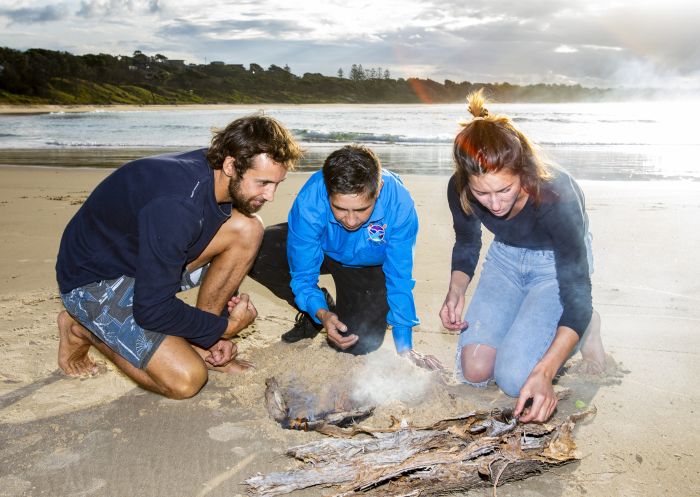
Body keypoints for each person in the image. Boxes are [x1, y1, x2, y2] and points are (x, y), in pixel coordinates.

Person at [56, 114, 302, 399]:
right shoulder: (178, 205)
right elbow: (152, 309)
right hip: (93, 281)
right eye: (262, 183)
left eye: (276, 184)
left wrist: (211, 333)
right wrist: (227, 327)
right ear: (231, 165)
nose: (270, 195)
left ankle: (203, 345)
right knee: (186, 380)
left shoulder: (214, 176)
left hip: (141, 260)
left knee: (248, 228)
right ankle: (82, 329)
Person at [439, 90, 606, 422]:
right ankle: (530, 321)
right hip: (506, 259)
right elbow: (468, 243)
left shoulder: (556, 192)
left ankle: (588, 326)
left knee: (516, 379)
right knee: (474, 370)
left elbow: (577, 290)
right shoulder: (458, 189)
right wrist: (455, 290)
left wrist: (545, 371)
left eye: (504, 190)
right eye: (482, 192)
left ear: (523, 172)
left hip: (556, 268)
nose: (495, 204)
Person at [249, 144, 441, 369]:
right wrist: (321, 313)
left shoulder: (399, 204)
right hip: (323, 250)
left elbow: (399, 278)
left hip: (368, 267)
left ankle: (333, 312)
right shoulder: (310, 200)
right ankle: (316, 311)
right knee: (255, 250)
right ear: (327, 191)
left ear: (378, 189)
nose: (350, 221)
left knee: (353, 345)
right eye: (340, 209)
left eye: (361, 210)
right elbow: (303, 276)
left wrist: (405, 347)